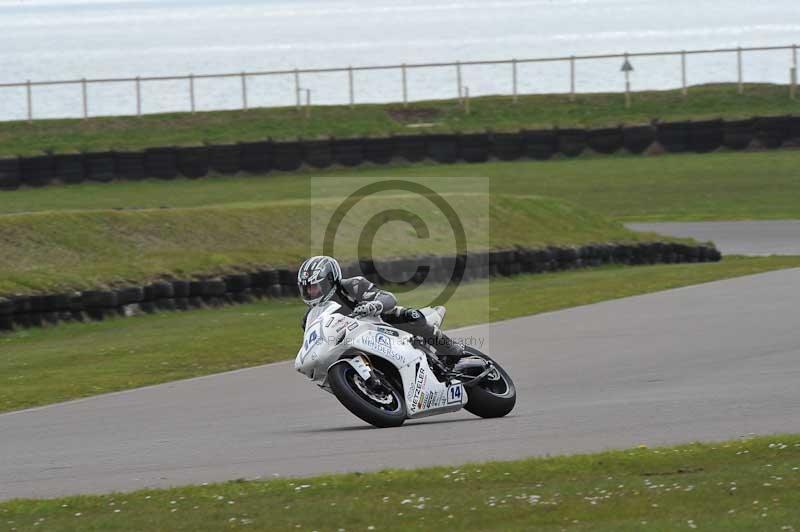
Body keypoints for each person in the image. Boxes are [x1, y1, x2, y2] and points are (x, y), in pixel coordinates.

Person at [297, 255, 465, 360]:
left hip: (382, 325)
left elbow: (388, 298)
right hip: (353, 343)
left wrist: (373, 306)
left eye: (314, 286)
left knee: (410, 315)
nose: (310, 292)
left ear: (329, 280)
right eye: (306, 288)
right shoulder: (310, 317)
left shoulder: (352, 285)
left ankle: (450, 348)